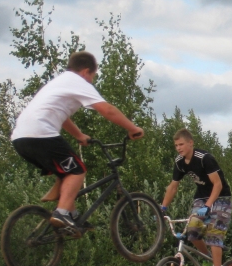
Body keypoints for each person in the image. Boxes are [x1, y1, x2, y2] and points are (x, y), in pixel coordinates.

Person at [10, 51, 144, 231]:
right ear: (86, 71)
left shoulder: (59, 83)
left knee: (66, 172)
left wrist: (79, 136)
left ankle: (71, 214)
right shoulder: (78, 82)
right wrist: (133, 128)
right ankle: (63, 213)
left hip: (20, 138)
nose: (92, 81)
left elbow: (62, 117)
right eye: (93, 76)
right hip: (40, 133)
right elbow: (107, 110)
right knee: (78, 170)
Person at [160, 129, 232, 266]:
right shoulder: (179, 162)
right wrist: (162, 207)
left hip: (221, 197)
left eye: (181, 144)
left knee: (214, 234)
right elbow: (173, 186)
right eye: (176, 145)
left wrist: (208, 206)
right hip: (201, 197)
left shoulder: (204, 158)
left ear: (190, 143)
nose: (178, 148)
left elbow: (218, 184)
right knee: (192, 230)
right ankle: (207, 259)